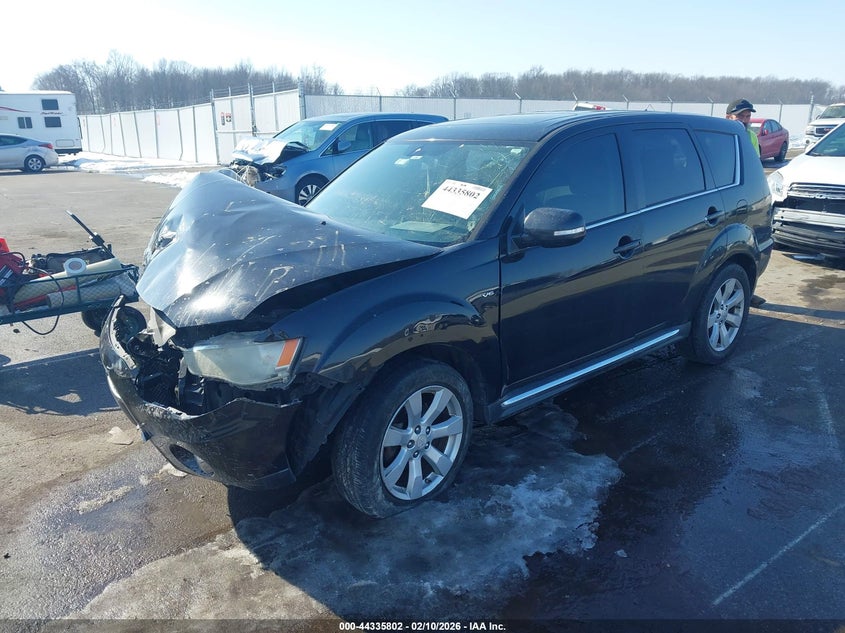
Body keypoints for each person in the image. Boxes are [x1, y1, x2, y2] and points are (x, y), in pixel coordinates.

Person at [726, 98, 766, 308]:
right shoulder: (722, 135)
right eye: (740, 115)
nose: (745, 119)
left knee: (750, 248)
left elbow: (754, 166)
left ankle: (746, 291)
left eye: (747, 116)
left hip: (746, 199)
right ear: (729, 116)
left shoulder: (750, 136)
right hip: (727, 199)